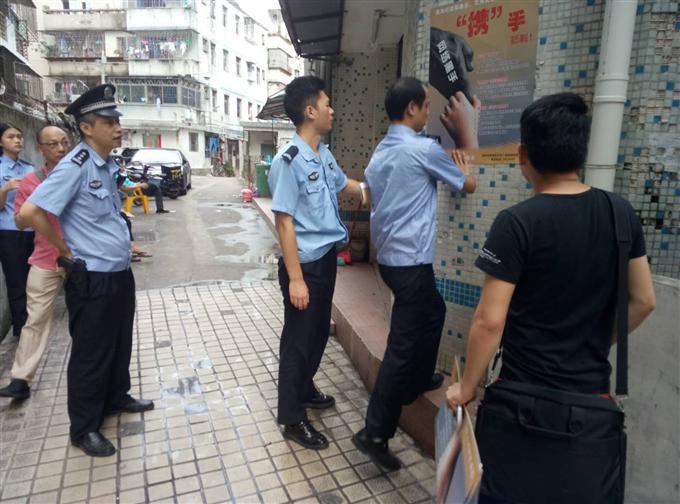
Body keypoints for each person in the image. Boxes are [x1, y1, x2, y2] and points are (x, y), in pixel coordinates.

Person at [446, 93, 656, 503]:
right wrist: (598, 339)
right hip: (589, 407)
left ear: (523, 155)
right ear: (581, 151)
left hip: (520, 406)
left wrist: (467, 387)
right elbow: (644, 300)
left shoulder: (516, 223)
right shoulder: (621, 215)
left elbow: (489, 320)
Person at [16, 84, 154, 457]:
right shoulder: (75, 165)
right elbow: (29, 213)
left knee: (119, 341)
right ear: (87, 128)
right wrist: (64, 251)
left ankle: (116, 397)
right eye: (108, 122)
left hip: (118, 271)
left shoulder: (106, 164)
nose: (117, 127)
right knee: (91, 353)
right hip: (92, 276)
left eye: (117, 120)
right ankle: (84, 428)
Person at [353, 76, 477, 470]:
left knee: (434, 311)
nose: (428, 112)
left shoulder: (380, 152)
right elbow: (469, 184)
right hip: (411, 265)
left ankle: (421, 377)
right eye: (425, 105)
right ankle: (374, 433)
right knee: (401, 349)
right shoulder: (423, 149)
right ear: (411, 109)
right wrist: (467, 143)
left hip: (390, 262)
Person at [268, 76, 366, 450]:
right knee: (298, 340)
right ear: (310, 111)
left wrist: (376, 186)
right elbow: (284, 222)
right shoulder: (288, 161)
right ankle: (292, 418)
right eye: (327, 103)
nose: (332, 110)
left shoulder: (323, 154)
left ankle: (305, 388)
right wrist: (296, 279)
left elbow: (345, 186)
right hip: (305, 266)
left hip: (325, 260)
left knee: (316, 334)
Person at [0, 126, 71, 399]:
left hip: (82, 258)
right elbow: (20, 220)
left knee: (88, 318)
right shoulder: (32, 180)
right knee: (36, 319)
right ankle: (20, 379)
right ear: (41, 148)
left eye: (64, 142)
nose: (60, 148)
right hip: (45, 258)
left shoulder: (79, 175)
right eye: (52, 144)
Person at [0, 123, 35, 341]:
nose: (17, 140)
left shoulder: (29, 168)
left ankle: (34, 323)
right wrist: (4, 189)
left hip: (32, 230)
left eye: (20, 136)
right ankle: (20, 328)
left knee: (34, 279)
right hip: (8, 232)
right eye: (11, 137)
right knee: (16, 280)